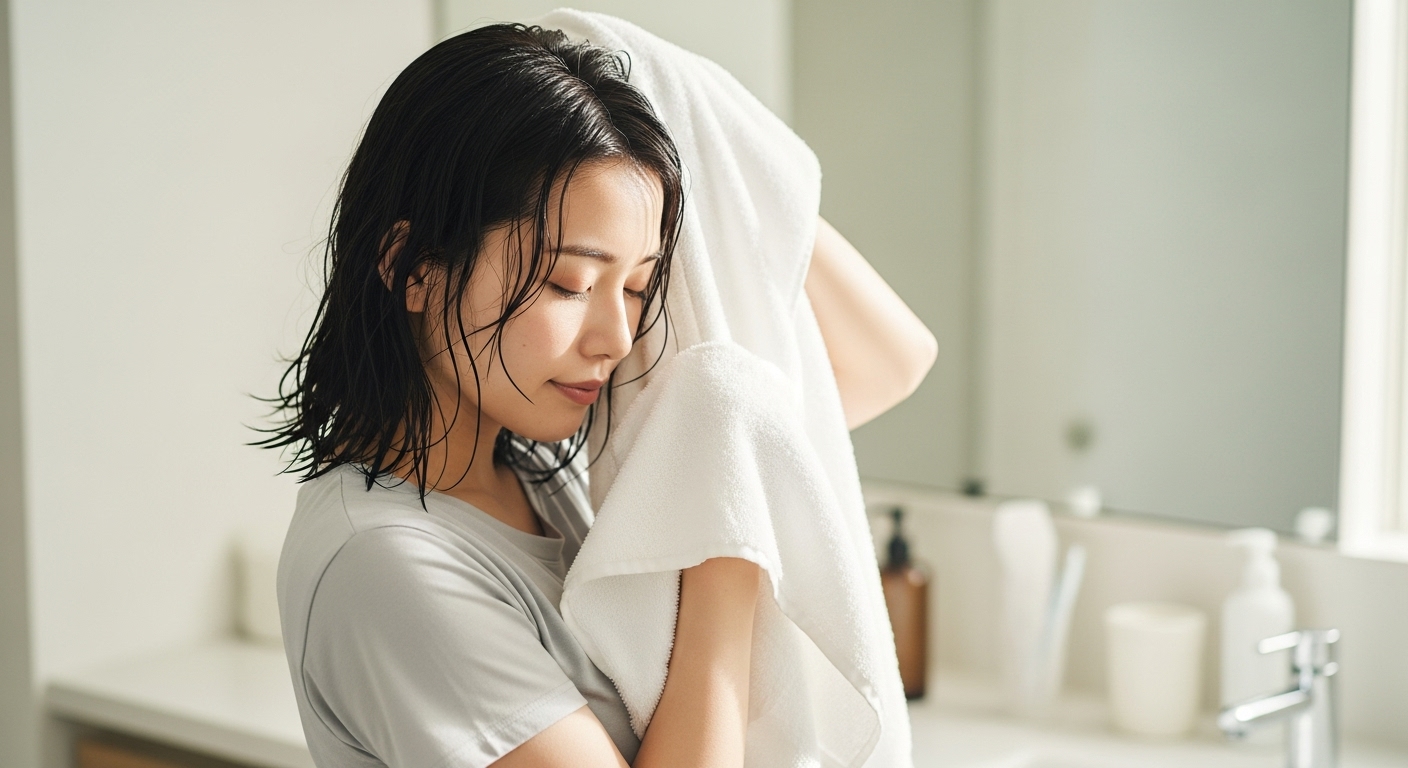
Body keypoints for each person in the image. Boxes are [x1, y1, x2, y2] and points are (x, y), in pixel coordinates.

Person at [262, 22, 936, 768]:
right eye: (570, 284)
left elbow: (892, 361)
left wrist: (708, 131)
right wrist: (732, 544)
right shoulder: (383, 568)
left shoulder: (538, 479)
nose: (615, 337)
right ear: (414, 265)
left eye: (640, 285)